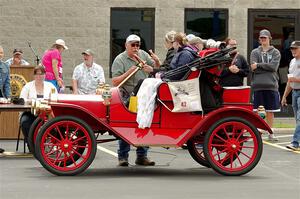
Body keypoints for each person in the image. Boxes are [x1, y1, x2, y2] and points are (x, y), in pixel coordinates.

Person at [112, 34, 159, 166]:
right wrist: (129, 72)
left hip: (143, 95)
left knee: (144, 122)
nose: (136, 47)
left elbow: (155, 69)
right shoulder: (120, 59)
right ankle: (123, 157)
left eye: (138, 45)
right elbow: (115, 82)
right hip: (127, 95)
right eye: (133, 45)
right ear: (126, 45)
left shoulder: (143, 55)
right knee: (126, 125)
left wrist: (157, 62)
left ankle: (142, 156)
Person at [250, 29, 281, 141]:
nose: (263, 39)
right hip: (258, 85)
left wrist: (258, 65)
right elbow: (253, 68)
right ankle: (259, 132)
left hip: (271, 85)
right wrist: (263, 66)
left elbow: (274, 67)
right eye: (261, 38)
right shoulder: (254, 52)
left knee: (270, 111)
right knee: (259, 111)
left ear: (269, 39)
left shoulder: (275, 52)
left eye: (265, 38)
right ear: (259, 39)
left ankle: (270, 132)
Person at [19, 66, 57, 147]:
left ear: (45, 75)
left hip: (47, 113)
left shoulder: (50, 86)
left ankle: (49, 145)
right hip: (30, 113)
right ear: (34, 76)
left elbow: (55, 98)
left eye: (41, 74)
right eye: (37, 74)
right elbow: (21, 99)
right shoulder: (28, 86)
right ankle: (31, 145)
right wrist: (31, 101)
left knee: (55, 123)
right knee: (25, 122)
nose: (39, 76)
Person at [281, 41, 300, 151]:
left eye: (295, 48)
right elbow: (289, 81)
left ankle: (295, 143)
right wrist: (284, 96)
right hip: (294, 93)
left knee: (299, 118)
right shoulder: (292, 62)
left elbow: (292, 79)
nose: (293, 50)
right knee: (297, 120)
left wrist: (295, 79)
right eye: (292, 49)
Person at [0, 45, 11, 153]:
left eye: (1, 53)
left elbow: (7, 84)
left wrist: (8, 98)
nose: (0, 54)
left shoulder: (5, 66)